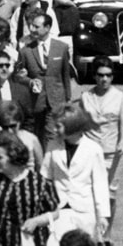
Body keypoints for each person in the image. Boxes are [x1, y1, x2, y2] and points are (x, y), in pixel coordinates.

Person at [41, 108, 110, 246]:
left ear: (71, 126)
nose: (54, 129)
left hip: (84, 210)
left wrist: (102, 215)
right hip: (60, 208)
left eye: (58, 126)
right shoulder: (53, 145)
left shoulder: (93, 149)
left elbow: (100, 184)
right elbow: (45, 176)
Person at [81, 57, 123, 246]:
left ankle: (106, 237)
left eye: (108, 75)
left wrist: (122, 142)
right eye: (100, 75)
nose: (104, 79)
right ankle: (92, 238)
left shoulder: (120, 96)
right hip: (91, 151)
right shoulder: (86, 96)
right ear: (94, 76)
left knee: (109, 196)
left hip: (111, 153)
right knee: (91, 196)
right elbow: (86, 121)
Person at [15, 12, 75, 146]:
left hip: (56, 100)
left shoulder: (62, 48)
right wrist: (29, 82)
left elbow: (65, 75)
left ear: (47, 28)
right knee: (36, 135)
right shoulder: (25, 51)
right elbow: (18, 75)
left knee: (51, 134)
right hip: (35, 102)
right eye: (31, 26)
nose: (32, 29)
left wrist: (68, 98)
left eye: (36, 27)